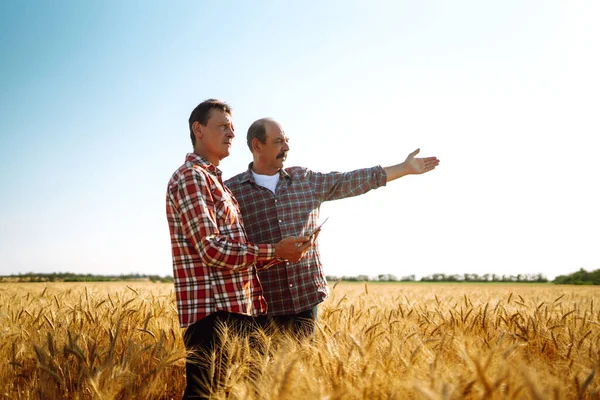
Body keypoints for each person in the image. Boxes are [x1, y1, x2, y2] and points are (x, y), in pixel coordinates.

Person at [225, 118, 440, 337]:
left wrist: (404, 168)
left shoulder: (304, 179)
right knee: (257, 371)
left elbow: (350, 181)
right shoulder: (231, 191)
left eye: (287, 141)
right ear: (257, 145)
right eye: (279, 141)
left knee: (302, 369)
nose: (287, 147)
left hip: (305, 299)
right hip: (260, 305)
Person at [166, 102, 312, 399]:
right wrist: (274, 251)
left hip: (232, 313)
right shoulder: (192, 177)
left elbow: (234, 251)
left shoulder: (215, 181)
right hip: (213, 317)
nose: (232, 133)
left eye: (232, 127)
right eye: (223, 126)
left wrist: (282, 255)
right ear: (198, 129)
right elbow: (211, 250)